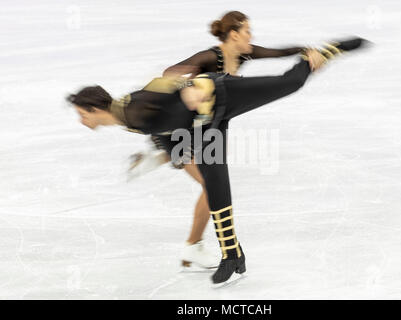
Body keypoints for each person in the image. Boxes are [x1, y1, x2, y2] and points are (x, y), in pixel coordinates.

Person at [67, 36, 367, 283]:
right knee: (215, 183)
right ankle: (232, 255)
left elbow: (164, 81)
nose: (81, 121)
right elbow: (164, 126)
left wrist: (186, 89)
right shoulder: (126, 118)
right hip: (207, 125)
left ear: (94, 109)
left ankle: (325, 51)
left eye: (82, 114)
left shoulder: (131, 110)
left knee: (289, 83)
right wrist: (168, 153)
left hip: (220, 95)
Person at [129, 11, 323, 270]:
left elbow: (275, 52)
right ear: (233, 35)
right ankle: (193, 244)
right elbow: (169, 72)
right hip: (178, 130)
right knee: (212, 187)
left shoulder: (243, 53)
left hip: (198, 128)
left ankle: (158, 158)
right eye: (247, 32)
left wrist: (307, 51)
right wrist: (188, 91)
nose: (251, 38)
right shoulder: (210, 57)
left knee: (211, 182)